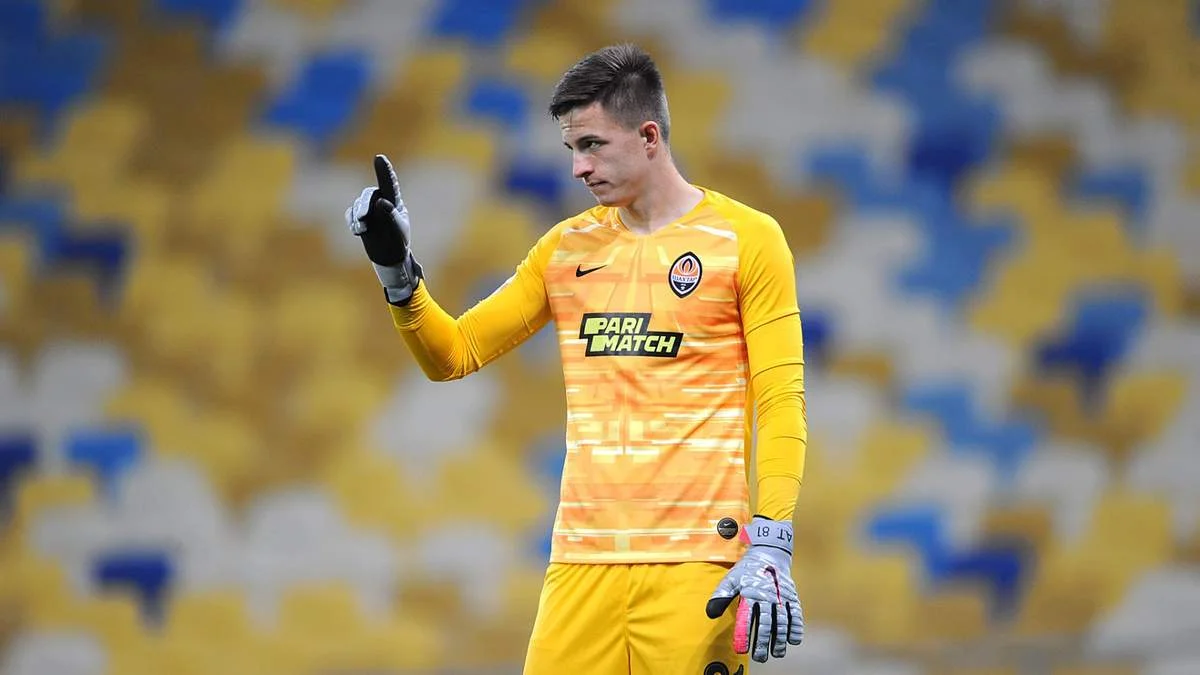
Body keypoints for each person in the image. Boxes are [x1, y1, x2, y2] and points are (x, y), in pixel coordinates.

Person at [346, 43, 807, 675]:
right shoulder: (565, 249)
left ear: (649, 137)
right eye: (571, 148)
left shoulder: (748, 239)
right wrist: (396, 271)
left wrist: (772, 543)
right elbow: (454, 353)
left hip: (696, 567)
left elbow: (781, 401)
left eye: (591, 145)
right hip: (580, 565)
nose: (578, 169)